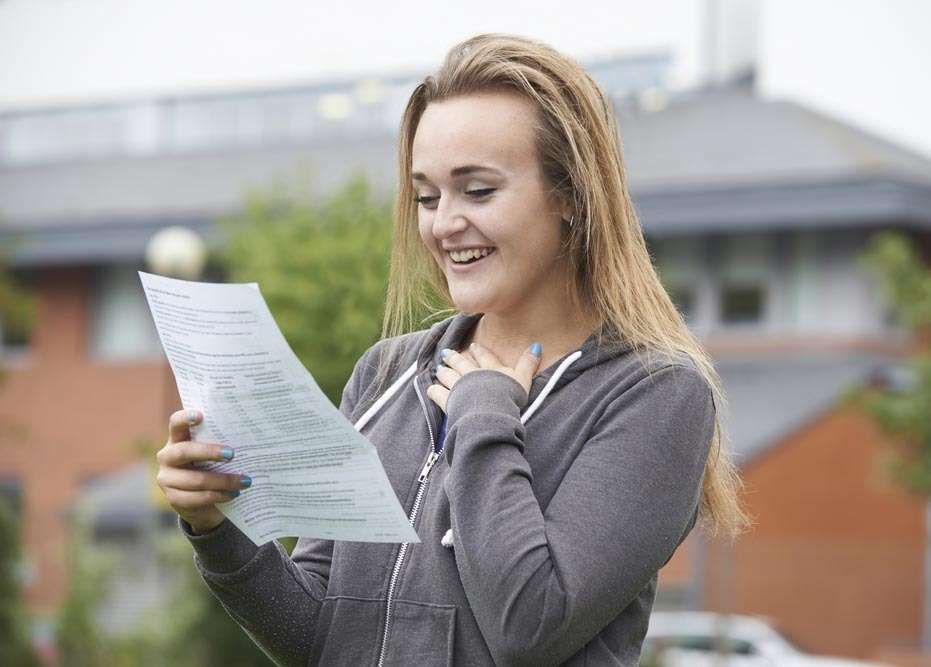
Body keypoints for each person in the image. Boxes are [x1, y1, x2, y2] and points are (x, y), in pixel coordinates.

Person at [154, 32, 749, 666]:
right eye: (426, 196)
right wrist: (217, 529)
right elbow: (323, 638)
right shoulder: (386, 372)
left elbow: (531, 625)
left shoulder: (656, 393)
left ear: (572, 196)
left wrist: (485, 416)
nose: (442, 225)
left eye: (479, 191)